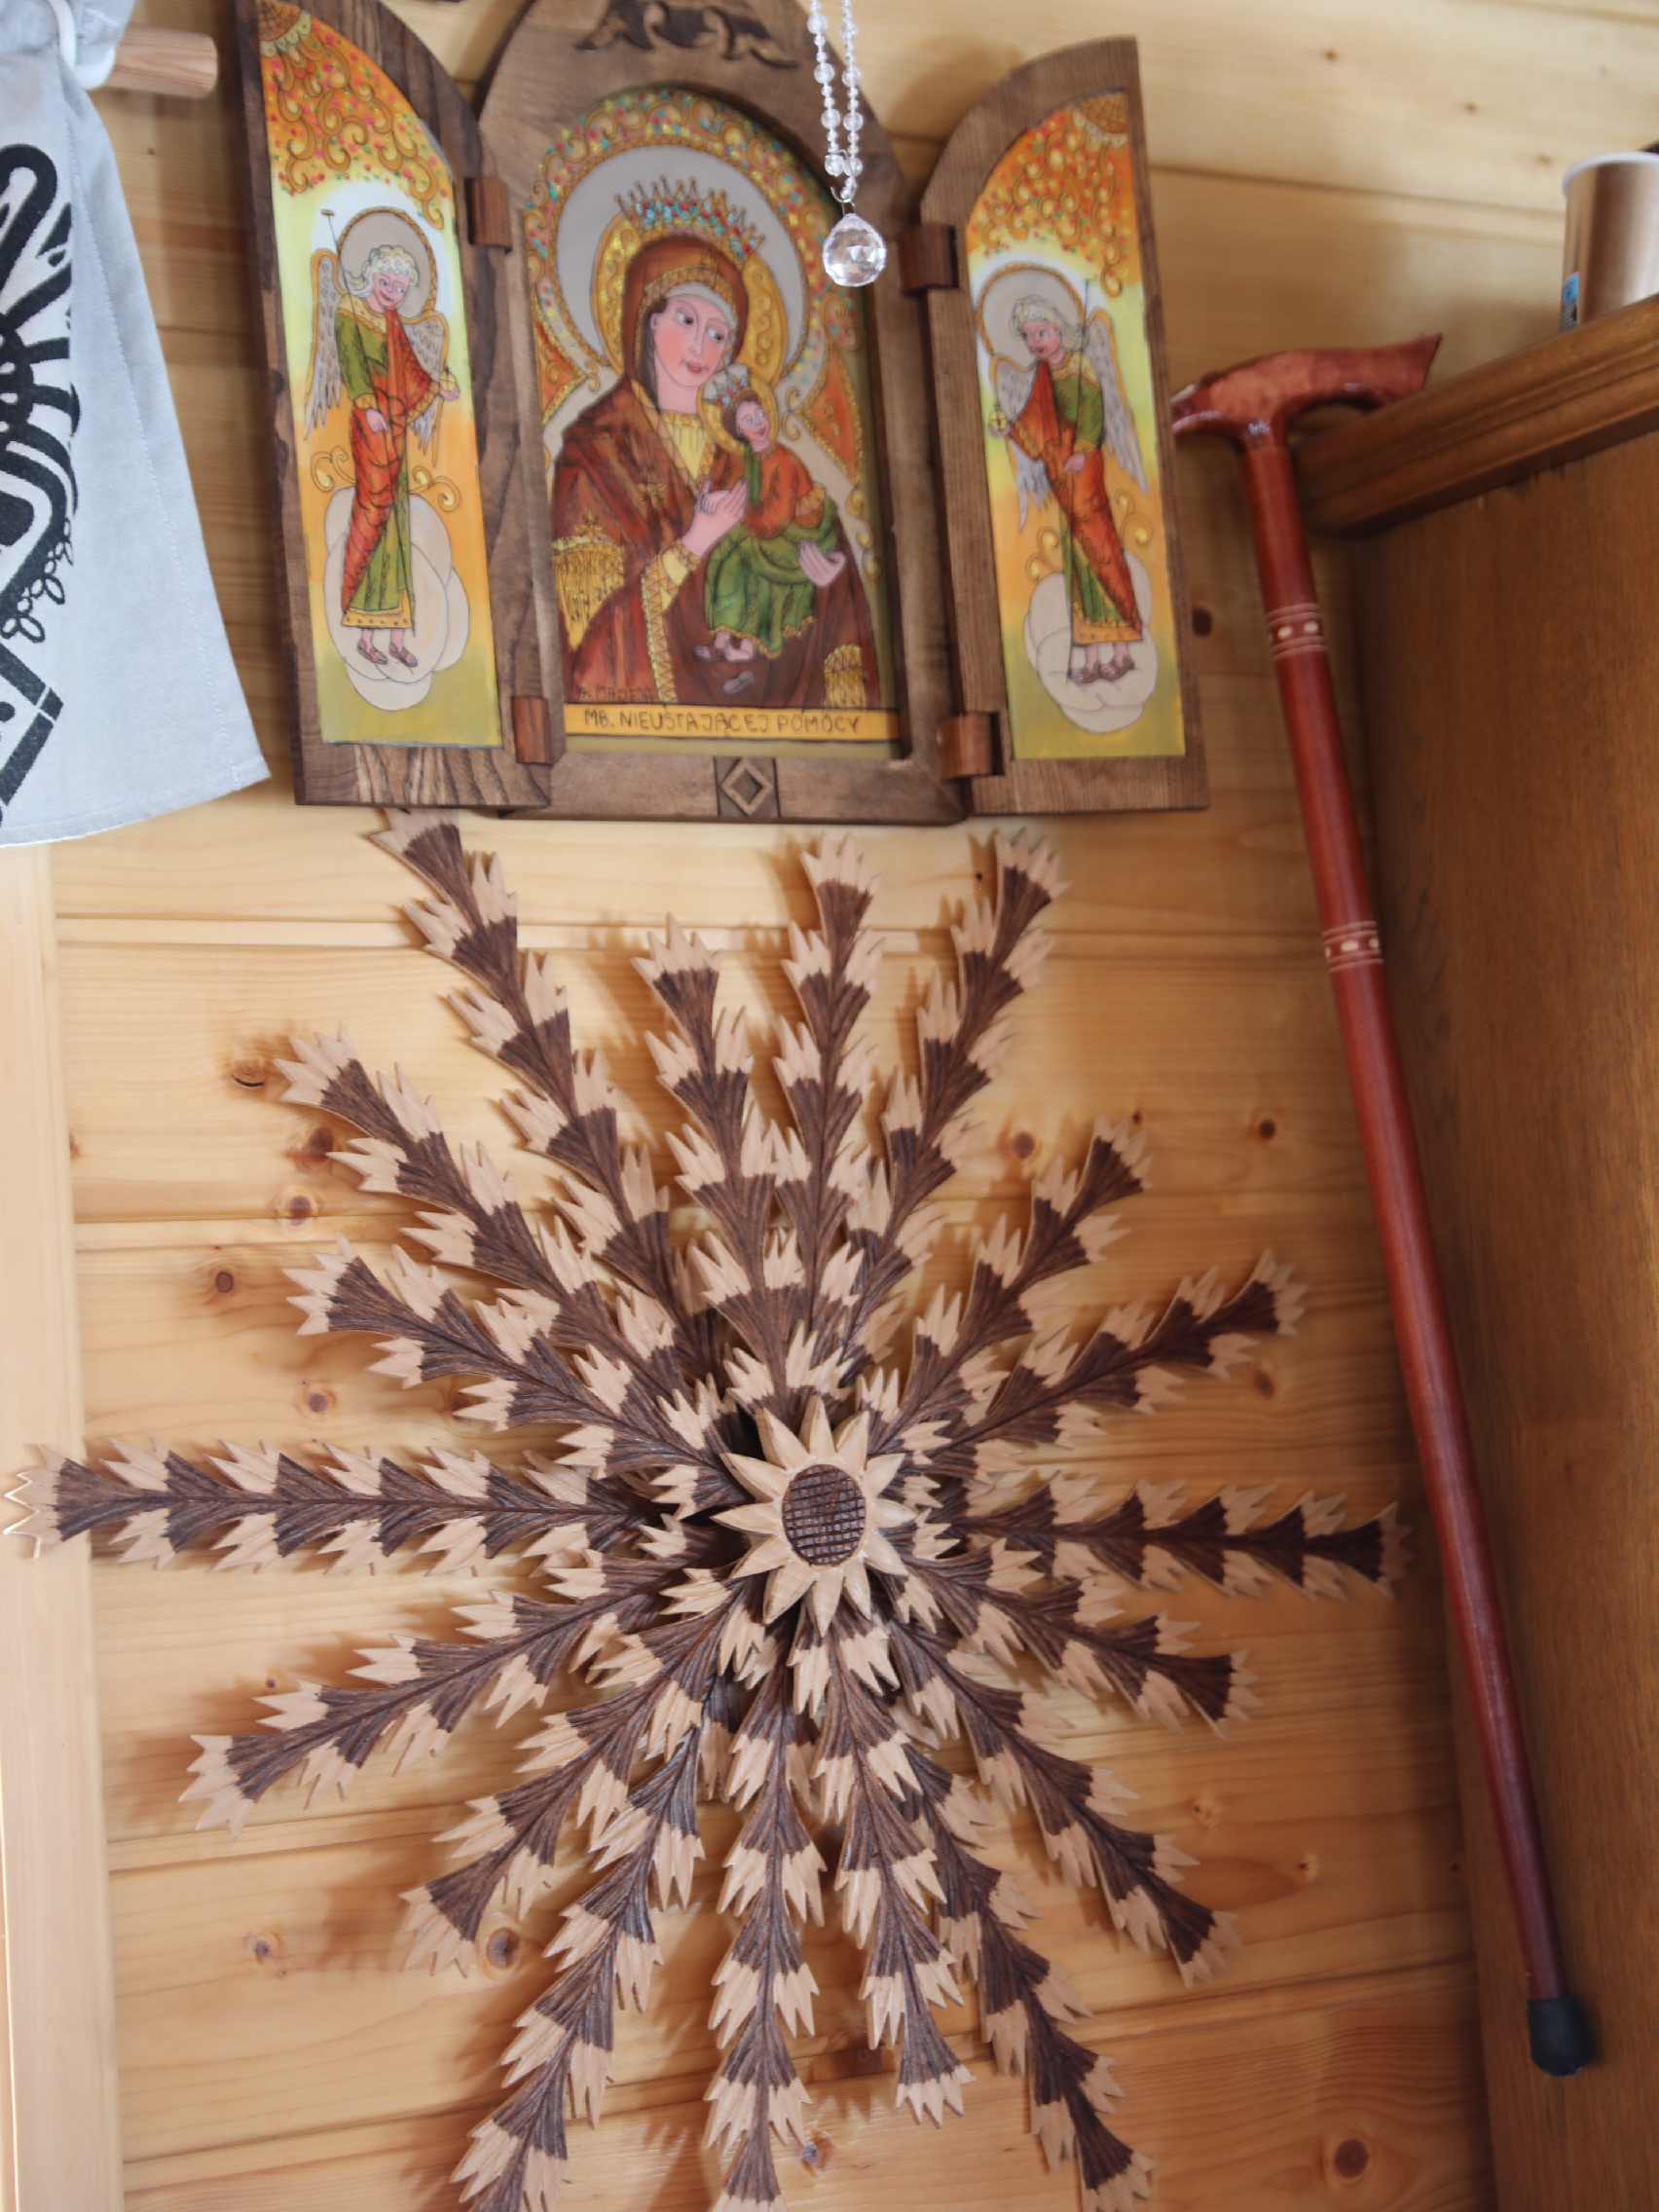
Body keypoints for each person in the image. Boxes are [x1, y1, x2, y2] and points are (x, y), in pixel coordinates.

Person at [551, 187, 878, 713]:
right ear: (648, 319)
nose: (701, 346)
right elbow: (588, 635)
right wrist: (693, 544)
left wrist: (821, 578)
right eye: (686, 320)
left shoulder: (752, 453)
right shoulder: (596, 451)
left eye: (719, 334)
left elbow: (825, 575)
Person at [995, 299, 1141, 686]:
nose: (1036, 342)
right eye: (1028, 337)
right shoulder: (1044, 374)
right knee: (1077, 561)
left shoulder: (1081, 367)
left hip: (1083, 468)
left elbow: (1093, 413)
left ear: (1059, 329)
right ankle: (1092, 659)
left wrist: (1083, 449)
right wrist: (1010, 430)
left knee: (1101, 550)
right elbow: (1036, 421)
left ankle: (1123, 653)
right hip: (1062, 468)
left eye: (1041, 333)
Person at [336, 243, 458, 672]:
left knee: (399, 527)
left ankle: (398, 636)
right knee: (374, 514)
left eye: (400, 287)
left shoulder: (392, 323)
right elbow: (352, 364)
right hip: (370, 429)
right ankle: (365, 634)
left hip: (395, 430)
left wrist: (438, 386)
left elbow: (410, 371)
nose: (391, 292)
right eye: (386, 282)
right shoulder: (349, 314)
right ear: (371, 277)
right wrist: (367, 404)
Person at [699, 373, 846, 670]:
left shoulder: (784, 460)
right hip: (765, 527)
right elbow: (746, 493)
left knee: (745, 559)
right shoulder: (751, 457)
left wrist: (740, 515)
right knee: (721, 555)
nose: (758, 423)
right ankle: (722, 639)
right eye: (748, 420)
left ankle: (748, 645)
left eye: (759, 414)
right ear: (739, 431)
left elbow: (777, 517)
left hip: (797, 533)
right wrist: (718, 499)